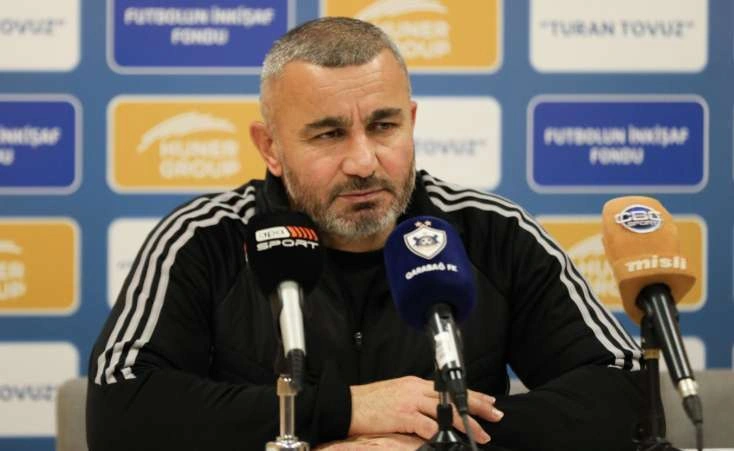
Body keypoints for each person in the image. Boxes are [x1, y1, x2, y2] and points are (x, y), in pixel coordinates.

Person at [87, 17, 643, 451]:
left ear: (412, 122)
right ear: (270, 148)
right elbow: (120, 411)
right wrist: (347, 411)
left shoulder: (492, 233)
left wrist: (435, 436)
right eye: (328, 134)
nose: (363, 161)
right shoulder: (204, 240)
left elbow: (626, 390)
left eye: (383, 126)